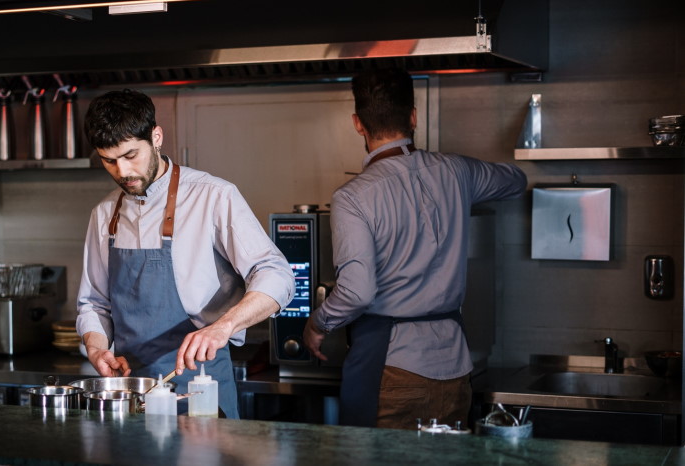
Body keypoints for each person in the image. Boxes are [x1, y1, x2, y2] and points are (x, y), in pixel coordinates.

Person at [303, 68, 527, 429]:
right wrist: (464, 186)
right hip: (456, 370)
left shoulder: (352, 198)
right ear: (413, 117)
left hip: (392, 370)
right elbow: (516, 181)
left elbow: (358, 293)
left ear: (358, 124)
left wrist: (317, 323)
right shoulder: (457, 172)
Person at [76, 89, 295, 419]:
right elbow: (93, 302)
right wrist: (96, 347)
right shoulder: (104, 213)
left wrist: (223, 326)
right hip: (131, 391)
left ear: (157, 137)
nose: (122, 172)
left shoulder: (213, 196)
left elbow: (276, 274)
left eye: (131, 155)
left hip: (200, 385)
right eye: (109, 161)